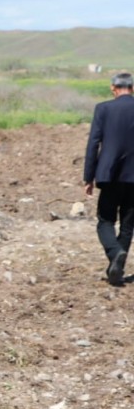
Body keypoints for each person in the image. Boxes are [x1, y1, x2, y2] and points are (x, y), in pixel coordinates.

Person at [84, 71, 134, 287]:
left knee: (105, 221)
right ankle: (117, 269)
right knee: (127, 224)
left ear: (113, 88)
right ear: (132, 88)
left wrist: (88, 176)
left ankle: (115, 254)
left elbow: (93, 143)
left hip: (110, 174)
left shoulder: (103, 108)